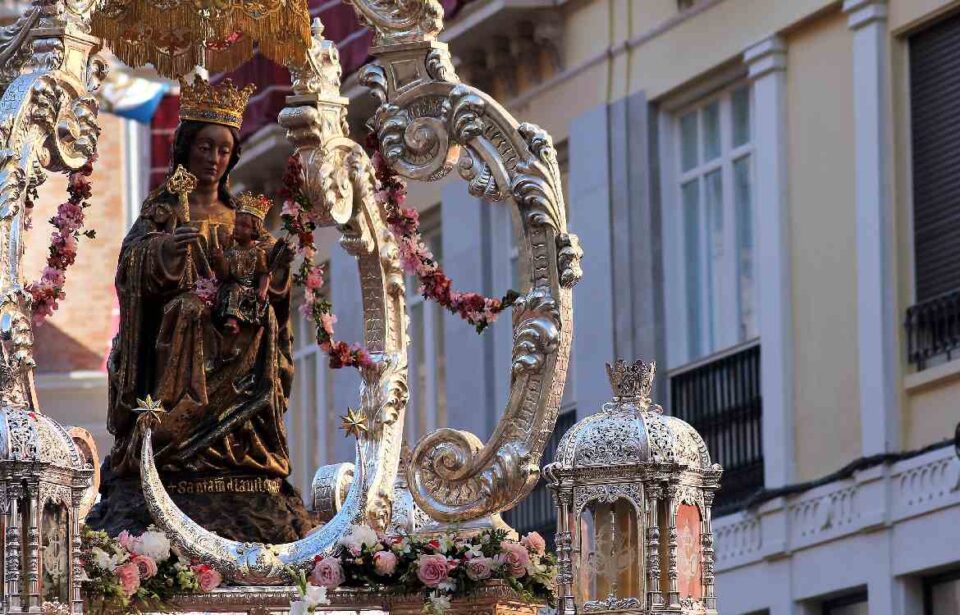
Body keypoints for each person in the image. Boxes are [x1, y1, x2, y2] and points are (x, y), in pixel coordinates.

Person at [86, 76, 315, 543]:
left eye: (223, 151)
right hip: (183, 331)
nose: (213, 159)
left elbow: (271, 281)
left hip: (243, 331)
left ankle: (243, 443)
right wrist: (168, 251)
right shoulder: (164, 214)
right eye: (205, 148)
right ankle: (178, 429)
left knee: (264, 319)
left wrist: (279, 272)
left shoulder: (242, 220)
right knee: (188, 311)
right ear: (186, 150)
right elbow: (133, 268)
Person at [212, 193, 272, 336]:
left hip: (250, 291)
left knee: (237, 289)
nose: (237, 228)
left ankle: (234, 320)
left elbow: (265, 274)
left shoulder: (258, 253)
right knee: (233, 288)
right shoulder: (230, 252)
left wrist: (263, 290)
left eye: (244, 226)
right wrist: (220, 259)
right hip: (230, 289)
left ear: (254, 231)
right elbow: (223, 275)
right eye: (236, 224)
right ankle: (231, 319)